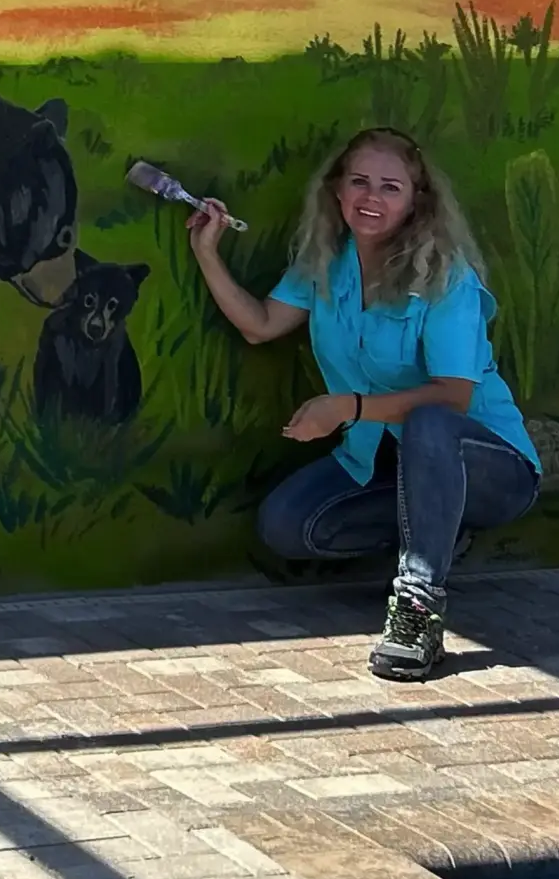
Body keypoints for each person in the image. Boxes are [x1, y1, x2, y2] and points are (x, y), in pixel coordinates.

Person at [185, 126, 540, 681]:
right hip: (382, 460)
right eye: (359, 182)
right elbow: (260, 325)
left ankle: (418, 606)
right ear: (337, 190)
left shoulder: (446, 277)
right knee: (287, 525)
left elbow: (454, 397)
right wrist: (206, 251)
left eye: (390, 187)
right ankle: (438, 536)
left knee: (429, 422)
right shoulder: (326, 262)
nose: (371, 198)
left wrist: (347, 408)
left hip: (488, 467)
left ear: (416, 200)